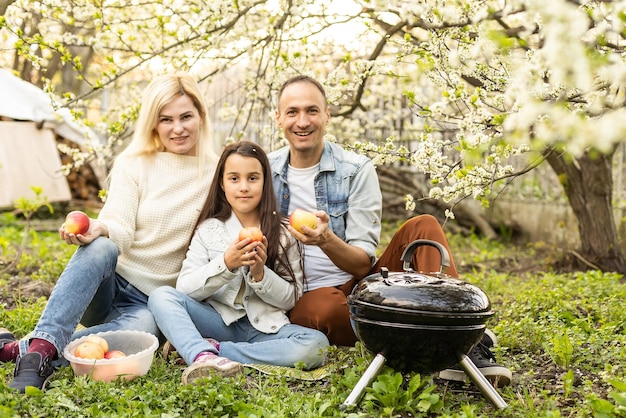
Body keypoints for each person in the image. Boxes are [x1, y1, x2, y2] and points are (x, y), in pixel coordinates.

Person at [268, 74, 512, 386]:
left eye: (312, 111)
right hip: (311, 296)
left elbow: (361, 263)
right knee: (325, 310)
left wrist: (326, 239)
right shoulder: (265, 171)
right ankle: (427, 336)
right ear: (278, 118)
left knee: (423, 225)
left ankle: (460, 340)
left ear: (327, 115)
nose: (302, 121)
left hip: (365, 284)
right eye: (292, 112)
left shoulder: (355, 169)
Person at [0, 72, 218, 392]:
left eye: (186, 116)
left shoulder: (218, 173)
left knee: (145, 328)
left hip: (154, 304)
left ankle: (23, 351)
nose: (178, 128)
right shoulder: (133, 163)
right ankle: (41, 356)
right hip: (111, 286)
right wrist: (101, 227)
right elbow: (121, 227)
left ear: (201, 116)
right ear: (153, 123)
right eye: (166, 119)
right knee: (102, 247)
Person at [148, 141, 329, 385]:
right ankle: (200, 354)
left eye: (253, 178)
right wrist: (226, 264)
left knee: (316, 346)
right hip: (218, 320)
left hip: (266, 329)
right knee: (161, 296)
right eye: (234, 178)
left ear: (265, 182)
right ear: (222, 184)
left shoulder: (284, 232)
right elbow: (185, 288)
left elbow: (290, 298)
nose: (243, 187)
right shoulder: (209, 229)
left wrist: (260, 273)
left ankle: (215, 352)